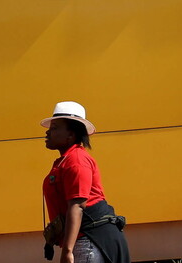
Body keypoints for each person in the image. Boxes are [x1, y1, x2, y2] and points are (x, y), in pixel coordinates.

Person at [41, 101, 129, 263]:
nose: (47, 132)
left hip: (88, 241)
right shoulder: (66, 160)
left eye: (54, 128)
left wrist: (67, 251)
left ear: (71, 134)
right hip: (85, 241)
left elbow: (78, 206)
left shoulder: (76, 160)